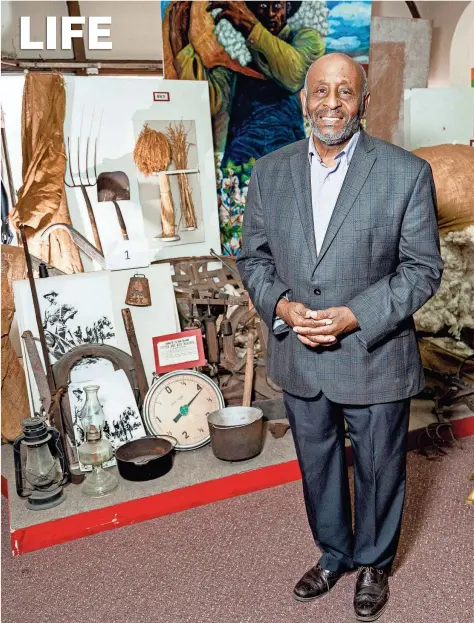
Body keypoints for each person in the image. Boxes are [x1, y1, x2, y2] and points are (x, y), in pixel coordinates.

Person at [236, 53, 443, 621]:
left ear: (363, 102)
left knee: (379, 466)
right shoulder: (269, 172)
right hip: (298, 355)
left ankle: (374, 562)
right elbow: (251, 256)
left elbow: (422, 269)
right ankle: (334, 552)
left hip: (374, 356)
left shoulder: (405, 173)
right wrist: (280, 302)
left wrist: (356, 314)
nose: (332, 103)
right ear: (304, 100)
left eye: (345, 92)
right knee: (319, 464)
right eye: (321, 91)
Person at [165, 1, 325, 167]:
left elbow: (294, 74)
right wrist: (182, 47)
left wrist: (250, 27)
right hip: (242, 160)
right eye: (263, 6)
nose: (270, 13)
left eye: (277, 6)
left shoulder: (306, 41)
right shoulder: (235, 52)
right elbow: (210, 101)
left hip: (288, 158)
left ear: (288, 8)